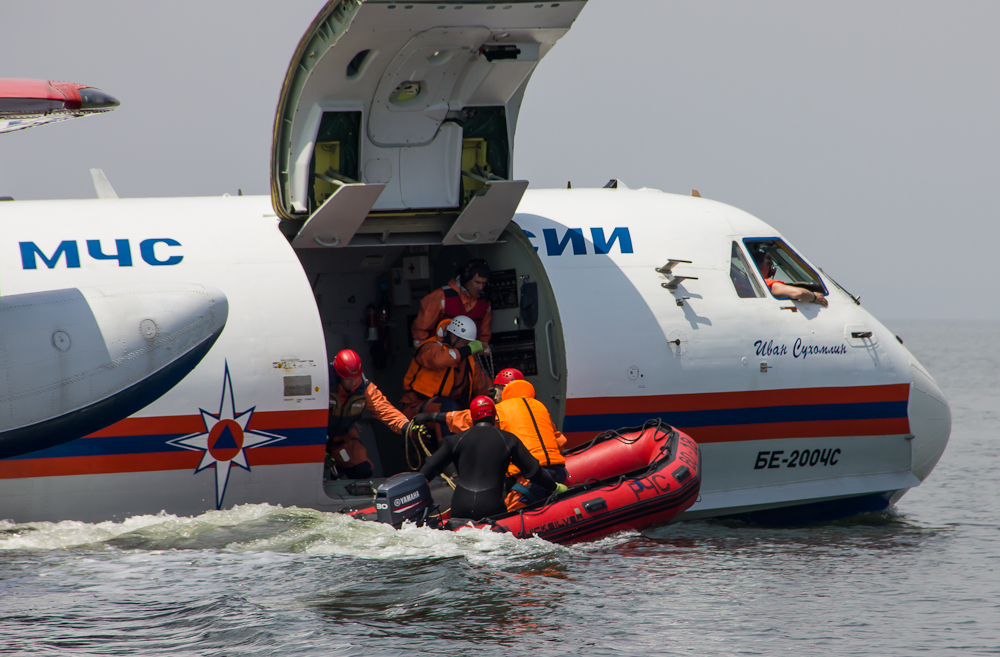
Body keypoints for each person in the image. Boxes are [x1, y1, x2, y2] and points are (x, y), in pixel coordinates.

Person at [415, 377, 568, 510]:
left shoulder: (500, 412)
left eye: (497, 389)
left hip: (531, 474)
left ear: (504, 389)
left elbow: (464, 418)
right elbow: (559, 439)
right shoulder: (540, 407)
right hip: (557, 468)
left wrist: (432, 416)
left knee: (513, 509)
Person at [327, 349, 429, 479]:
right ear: (338, 375)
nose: (353, 383)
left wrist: (406, 426)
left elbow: (384, 409)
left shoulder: (365, 389)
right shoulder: (323, 386)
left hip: (342, 440)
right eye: (348, 379)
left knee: (363, 469)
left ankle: (339, 471)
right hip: (316, 439)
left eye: (356, 377)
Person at [399, 316, 491, 440]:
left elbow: (481, 383)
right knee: (448, 408)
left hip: (451, 411)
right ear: (453, 336)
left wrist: (492, 395)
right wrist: (467, 350)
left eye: (469, 344)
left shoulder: (468, 359)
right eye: (464, 343)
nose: (467, 347)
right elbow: (438, 360)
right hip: (417, 406)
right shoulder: (430, 347)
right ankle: (451, 453)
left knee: (470, 412)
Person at [411, 258, 493, 347]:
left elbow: (484, 337)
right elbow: (421, 330)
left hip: (470, 357)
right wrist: (426, 353)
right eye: (477, 282)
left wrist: (483, 353)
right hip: (441, 355)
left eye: (483, 284)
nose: (480, 287)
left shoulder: (484, 304)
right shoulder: (441, 296)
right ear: (465, 278)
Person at [751, 249, 828, 306]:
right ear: (772, 271)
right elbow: (799, 293)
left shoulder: (744, 282)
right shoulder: (767, 284)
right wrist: (814, 297)